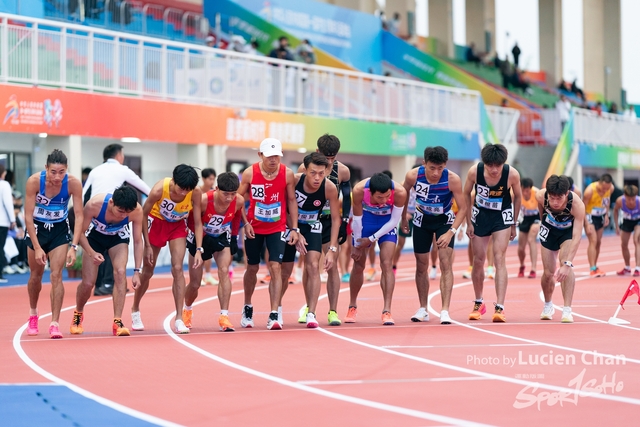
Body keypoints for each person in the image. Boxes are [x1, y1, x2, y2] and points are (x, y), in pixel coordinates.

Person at [130, 164, 203, 334]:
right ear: (174, 181)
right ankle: (135, 309)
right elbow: (143, 214)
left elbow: (198, 222)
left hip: (177, 226)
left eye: (187, 190)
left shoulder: (195, 192)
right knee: (148, 272)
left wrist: (199, 249)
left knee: (178, 268)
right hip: (156, 224)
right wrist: (147, 244)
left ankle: (179, 318)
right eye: (180, 189)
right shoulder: (158, 190)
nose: (184, 193)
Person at [237, 138, 299, 330]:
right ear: (260, 155)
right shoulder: (249, 174)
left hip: (277, 227)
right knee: (252, 268)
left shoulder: (287, 174)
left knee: (275, 267)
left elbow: (291, 201)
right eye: (269, 156)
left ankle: (274, 313)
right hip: (254, 228)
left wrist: (294, 228)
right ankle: (247, 306)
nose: (273, 160)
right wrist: (245, 223)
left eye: (277, 156)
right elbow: (238, 200)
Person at [401, 146, 467, 324]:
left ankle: (445, 310)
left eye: (440, 168)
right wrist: (403, 216)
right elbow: (402, 192)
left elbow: (463, 208)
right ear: (424, 164)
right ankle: (423, 308)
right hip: (421, 220)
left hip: (444, 221)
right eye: (432, 168)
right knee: (421, 265)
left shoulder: (452, 179)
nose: (436, 172)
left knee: (445, 263)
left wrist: (451, 231)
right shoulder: (413, 176)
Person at [24, 150, 84, 338]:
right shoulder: (34, 182)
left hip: (59, 230)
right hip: (37, 230)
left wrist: (74, 247)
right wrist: (37, 247)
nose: (58, 177)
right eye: (53, 172)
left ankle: (54, 323)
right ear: (46, 169)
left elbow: (80, 216)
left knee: (56, 275)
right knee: (36, 275)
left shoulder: (73, 184)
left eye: (62, 172)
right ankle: (33, 314)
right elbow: (27, 215)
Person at [71, 186, 144, 336]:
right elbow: (80, 233)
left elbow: (137, 241)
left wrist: (137, 271)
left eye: (127, 213)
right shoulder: (94, 205)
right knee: (88, 283)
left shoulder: (136, 210)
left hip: (118, 238)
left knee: (121, 272)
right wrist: (92, 253)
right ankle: (78, 313)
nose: (123, 216)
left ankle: (117, 320)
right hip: (94, 238)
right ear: (111, 202)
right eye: (120, 211)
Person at [182, 172, 250, 332]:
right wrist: (202, 241)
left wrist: (233, 239)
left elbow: (237, 216)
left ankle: (224, 316)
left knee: (224, 271)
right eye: (226, 194)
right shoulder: (205, 200)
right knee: (195, 283)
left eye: (233, 194)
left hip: (220, 236)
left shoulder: (238, 200)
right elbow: (192, 223)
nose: (229, 198)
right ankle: (187, 309)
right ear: (217, 189)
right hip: (199, 238)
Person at [281, 153, 340, 328]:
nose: (317, 178)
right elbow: (283, 207)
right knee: (284, 271)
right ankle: (275, 311)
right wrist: (295, 230)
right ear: (305, 170)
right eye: (313, 172)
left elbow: (336, 219)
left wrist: (332, 249)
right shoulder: (294, 180)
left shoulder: (329, 188)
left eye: (321, 173)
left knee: (314, 265)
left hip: (313, 225)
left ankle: (311, 313)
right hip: (290, 225)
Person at [83, 144, 151, 296]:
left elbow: (84, 193)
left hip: (95, 211)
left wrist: (84, 213)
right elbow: (146, 189)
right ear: (119, 155)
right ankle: (107, 283)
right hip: (113, 209)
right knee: (110, 242)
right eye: (123, 155)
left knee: (100, 245)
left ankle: (101, 283)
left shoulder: (95, 170)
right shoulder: (123, 169)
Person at [297, 134, 351, 325]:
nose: (329, 162)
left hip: (329, 221)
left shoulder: (343, 171)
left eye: (333, 158)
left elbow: (348, 197)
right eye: (326, 157)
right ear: (317, 152)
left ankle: (333, 311)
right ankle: (308, 307)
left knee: (331, 264)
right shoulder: (305, 169)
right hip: (310, 221)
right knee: (310, 265)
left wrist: (344, 221)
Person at [464, 144, 522, 322]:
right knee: (478, 259)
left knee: (499, 258)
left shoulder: (511, 174)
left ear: (503, 163)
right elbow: (466, 194)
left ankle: (500, 307)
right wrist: (469, 222)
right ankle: (479, 302)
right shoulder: (475, 172)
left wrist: (513, 223)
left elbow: (518, 196)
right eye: (491, 166)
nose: (495, 170)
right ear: (484, 163)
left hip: (501, 217)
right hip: (480, 216)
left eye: (498, 165)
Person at [346, 172, 407, 325]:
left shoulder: (399, 192)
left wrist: (372, 239)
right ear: (370, 192)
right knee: (358, 265)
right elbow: (357, 221)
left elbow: (394, 221)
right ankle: (352, 306)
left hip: (386, 225)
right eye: (379, 198)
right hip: (366, 223)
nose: (384, 200)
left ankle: (387, 310)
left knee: (386, 264)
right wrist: (357, 244)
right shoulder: (359, 190)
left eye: (387, 196)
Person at [536, 175, 585, 323]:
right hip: (549, 230)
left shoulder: (577, 205)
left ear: (567, 193)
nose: (555, 202)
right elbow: (541, 212)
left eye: (559, 198)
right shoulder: (540, 196)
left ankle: (567, 310)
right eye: (552, 198)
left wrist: (568, 264)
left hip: (567, 233)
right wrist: (544, 222)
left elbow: (577, 236)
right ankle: (548, 305)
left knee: (565, 265)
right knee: (548, 272)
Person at [582, 174, 613, 277]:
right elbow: (582, 208)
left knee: (598, 242)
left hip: (601, 215)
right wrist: (586, 224)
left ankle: (595, 266)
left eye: (607, 188)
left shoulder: (610, 188)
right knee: (593, 240)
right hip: (589, 216)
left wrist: (607, 215)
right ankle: (592, 268)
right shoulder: (589, 191)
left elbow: (607, 202)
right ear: (599, 183)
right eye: (603, 188)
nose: (605, 190)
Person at [199, 168, 219, 286]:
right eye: (210, 179)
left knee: (209, 251)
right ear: (203, 179)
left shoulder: (214, 192)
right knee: (199, 251)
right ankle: (199, 276)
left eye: (213, 179)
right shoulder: (198, 192)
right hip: (199, 225)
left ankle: (208, 275)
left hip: (210, 225)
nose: (212, 181)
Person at [614, 185, 640, 276]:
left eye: (633, 199)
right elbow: (615, 211)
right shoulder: (620, 201)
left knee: (637, 240)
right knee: (624, 244)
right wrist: (617, 226)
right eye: (629, 199)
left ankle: (637, 268)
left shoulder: (639, 202)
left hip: (638, 221)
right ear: (625, 196)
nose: (631, 202)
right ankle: (627, 267)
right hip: (627, 221)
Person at [517, 178, 540, 278]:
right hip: (524, 218)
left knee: (531, 240)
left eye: (527, 191)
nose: (525, 193)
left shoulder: (537, 194)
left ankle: (533, 269)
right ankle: (522, 265)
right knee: (521, 247)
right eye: (523, 190)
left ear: (530, 189)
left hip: (536, 218)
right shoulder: (516, 193)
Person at [0, 164, 16, 283]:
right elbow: (7, 203)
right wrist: (12, 219)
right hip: (2, 221)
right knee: (0, 247)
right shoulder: (4, 185)